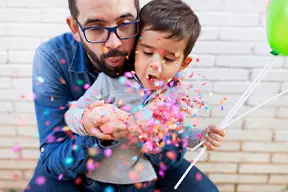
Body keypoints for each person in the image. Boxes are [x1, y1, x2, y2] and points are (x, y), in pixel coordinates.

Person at [26, 0, 224, 191]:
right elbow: (54, 158)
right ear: (76, 29)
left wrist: (159, 137)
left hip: (142, 171)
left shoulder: (161, 56)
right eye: (96, 27)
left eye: (125, 24)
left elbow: (174, 141)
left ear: (138, 23)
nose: (115, 43)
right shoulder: (52, 58)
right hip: (79, 158)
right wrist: (97, 129)